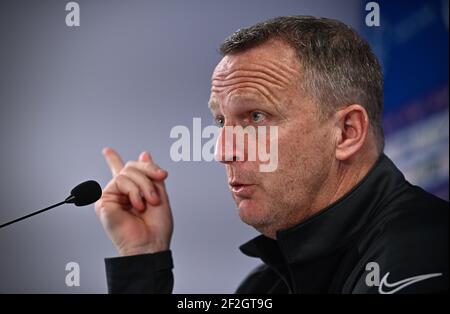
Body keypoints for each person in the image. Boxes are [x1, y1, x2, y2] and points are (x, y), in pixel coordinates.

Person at [94, 16, 449, 294]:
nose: (222, 151)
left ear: (347, 132)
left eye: (256, 117)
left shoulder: (427, 257)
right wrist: (143, 260)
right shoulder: (264, 285)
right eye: (221, 121)